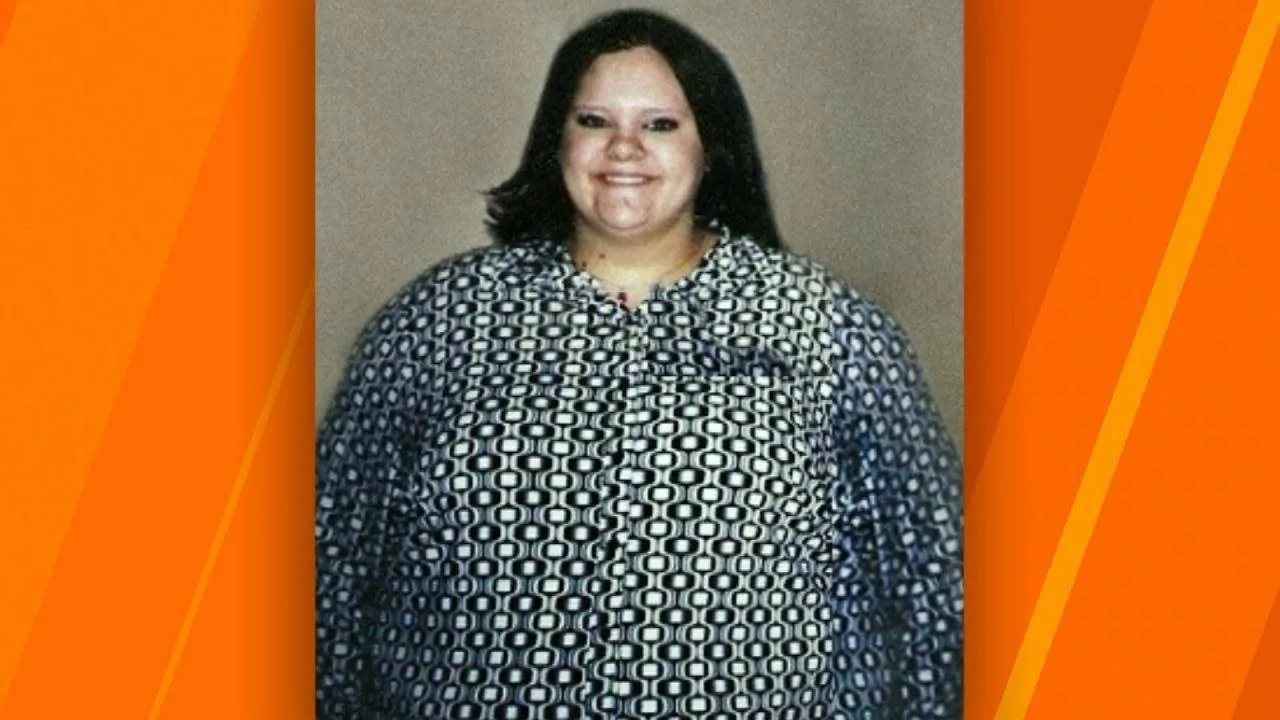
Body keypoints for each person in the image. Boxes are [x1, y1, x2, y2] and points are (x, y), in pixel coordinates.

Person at [316, 8, 962, 719]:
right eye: (594, 121)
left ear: (710, 148)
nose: (624, 148)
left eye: (660, 124)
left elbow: (936, 583)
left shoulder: (830, 330)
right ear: (556, 142)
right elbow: (329, 565)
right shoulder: (437, 322)